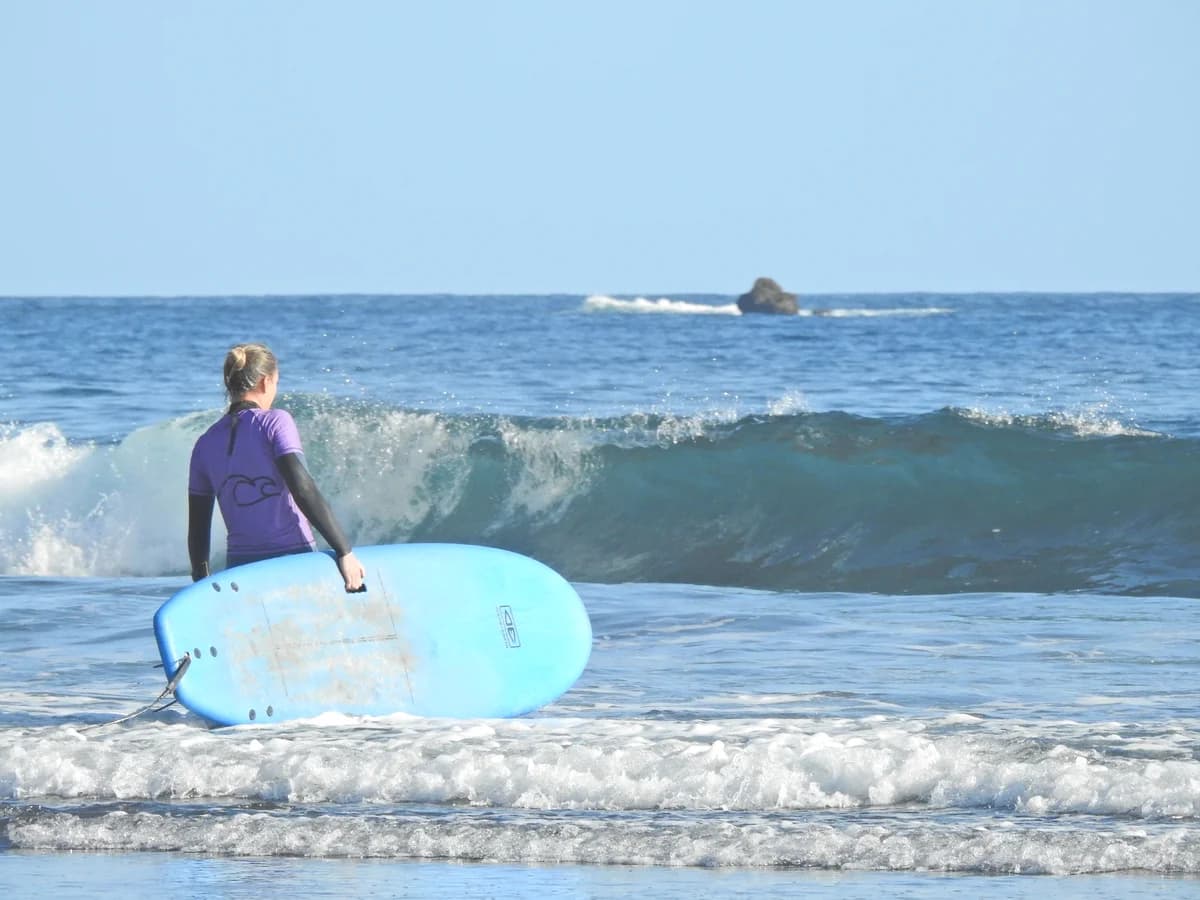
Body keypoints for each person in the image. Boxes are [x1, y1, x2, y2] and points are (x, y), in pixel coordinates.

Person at [187, 343, 365, 591]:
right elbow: (302, 487)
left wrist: (202, 584)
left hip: (241, 570)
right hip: (293, 560)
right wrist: (344, 551)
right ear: (265, 382)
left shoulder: (204, 444)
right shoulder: (275, 422)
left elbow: (197, 527)